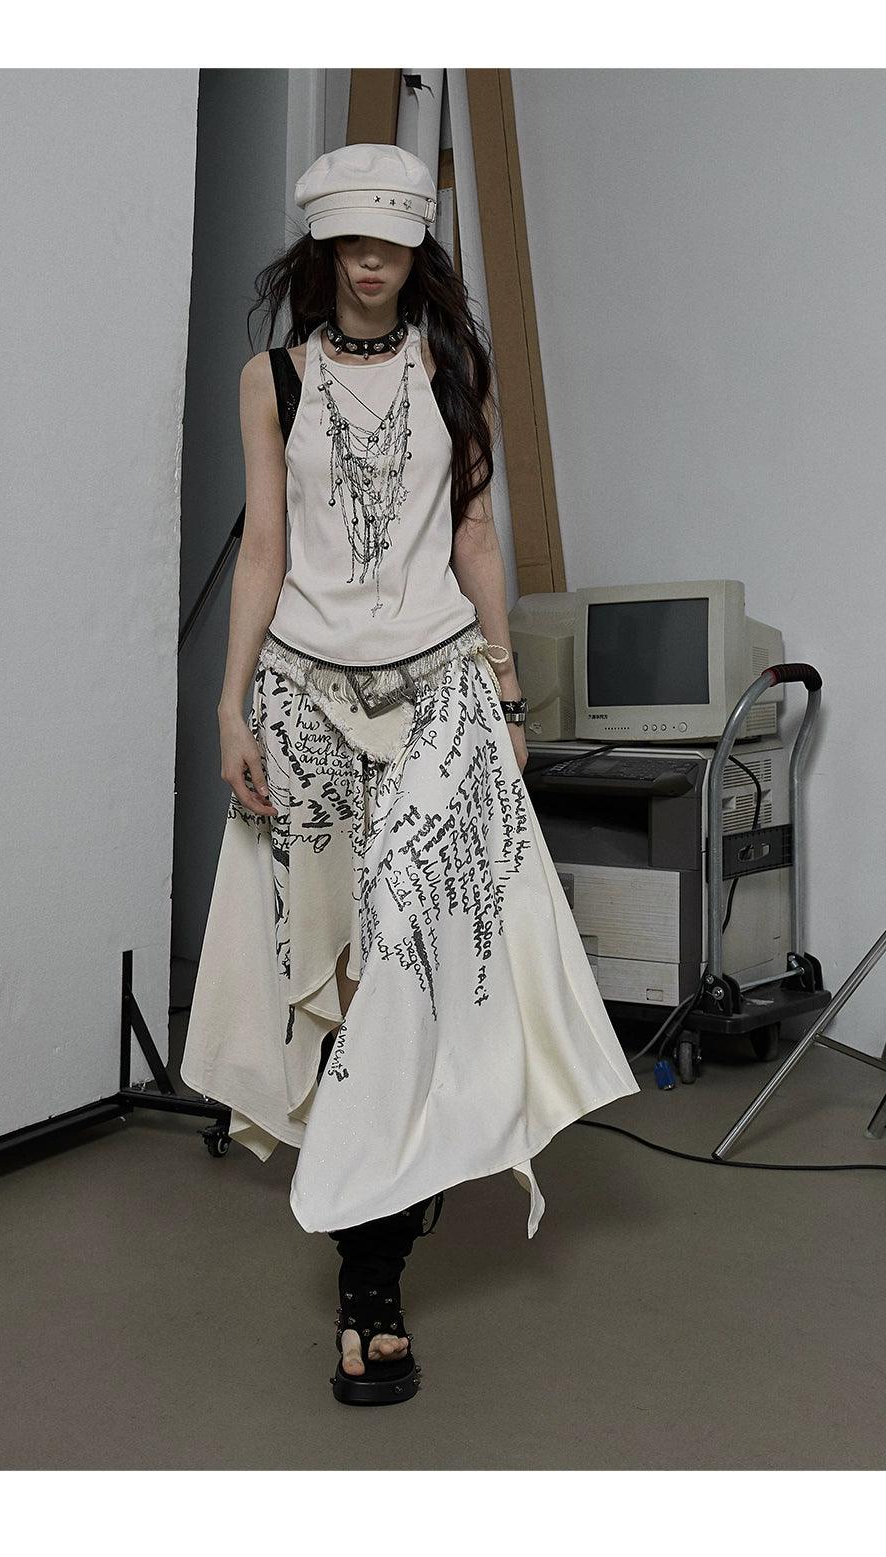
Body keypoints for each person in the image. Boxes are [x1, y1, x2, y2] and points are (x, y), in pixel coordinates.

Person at [180, 143, 640, 1407]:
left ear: (415, 249)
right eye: (353, 241)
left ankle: (368, 1285)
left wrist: (504, 690)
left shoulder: (454, 369)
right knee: (332, 979)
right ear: (326, 248)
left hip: (440, 692)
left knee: (415, 969)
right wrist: (228, 706)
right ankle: (370, 1254)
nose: (372, 261)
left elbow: (476, 534)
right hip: (302, 697)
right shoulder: (273, 378)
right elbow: (265, 546)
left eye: (391, 240)